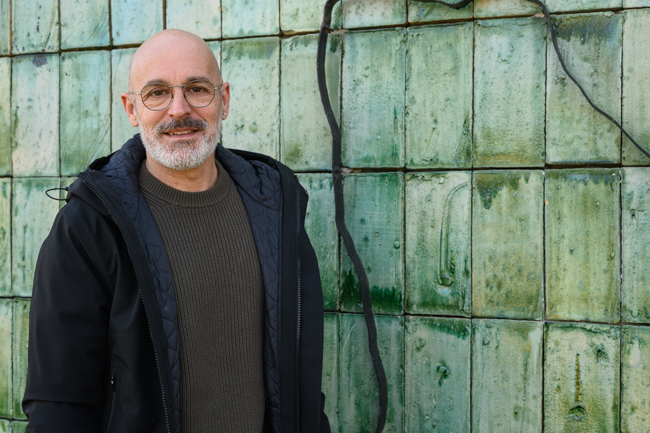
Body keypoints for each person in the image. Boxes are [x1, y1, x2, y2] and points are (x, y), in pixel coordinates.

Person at [22, 29, 330, 433]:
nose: (179, 110)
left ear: (224, 100)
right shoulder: (89, 226)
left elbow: (301, 380)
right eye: (158, 93)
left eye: (198, 89)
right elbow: (59, 402)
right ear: (132, 109)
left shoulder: (276, 208)